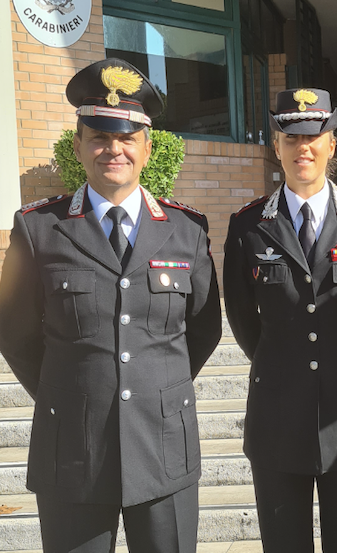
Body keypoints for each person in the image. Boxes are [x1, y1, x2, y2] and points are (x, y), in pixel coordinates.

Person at [0, 58, 222, 552]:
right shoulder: (37, 229)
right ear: (78, 145)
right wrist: (73, 391)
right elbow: (14, 332)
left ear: (146, 147)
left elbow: (203, 329)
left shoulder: (186, 230)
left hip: (163, 444)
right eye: (99, 136)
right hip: (73, 451)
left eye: (126, 137)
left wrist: (156, 388)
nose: (112, 149)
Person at [223, 87, 337, 552]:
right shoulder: (248, 226)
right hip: (277, 416)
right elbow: (242, 318)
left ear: (331, 144)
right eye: (291, 137)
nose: (304, 148)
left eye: (314, 136)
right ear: (275, 145)